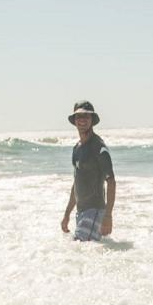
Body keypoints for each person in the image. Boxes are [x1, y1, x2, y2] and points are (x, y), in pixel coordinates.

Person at [59, 101, 116, 241]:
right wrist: (67, 214)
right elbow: (76, 183)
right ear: (74, 120)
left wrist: (108, 216)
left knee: (77, 250)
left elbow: (111, 182)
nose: (82, 120)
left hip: (95, 210)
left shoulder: (98, 147)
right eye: (79, 116)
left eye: (86, 116)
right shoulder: (76, 149)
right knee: (85, 255)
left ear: (92, 120)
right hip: (81, 212)